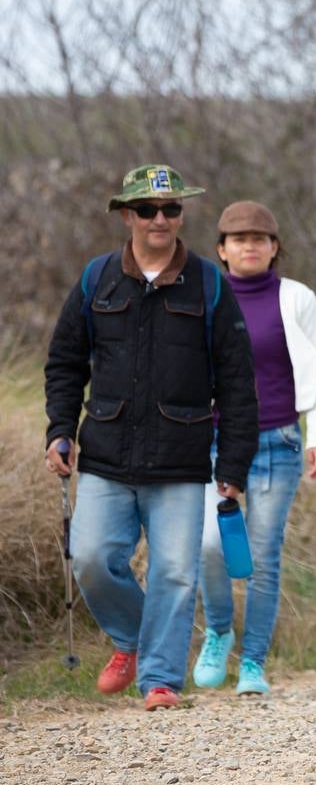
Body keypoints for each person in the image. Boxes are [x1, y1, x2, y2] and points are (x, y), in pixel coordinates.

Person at [44, 164, 258, 711]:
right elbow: (65, 363)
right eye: (147, 209)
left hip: (182, 461)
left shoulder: (210, 284)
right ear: (126, 215)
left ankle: (160, 679)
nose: (160, 219)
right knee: (90, 557)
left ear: (181, 214)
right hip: (105, 455)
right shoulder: (97, 279)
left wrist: (232, 468)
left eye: (171, 209)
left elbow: (237, 383)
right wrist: (59, 431)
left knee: (174, 574)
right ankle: (131, 640)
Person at [192, 200, 316, 695]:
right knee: (210, 545)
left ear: (274, 249)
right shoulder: (204, 296)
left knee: (264, 555)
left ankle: (253, 663)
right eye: (238, 239)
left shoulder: (297, 298)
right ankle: (219, 630)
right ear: (221, 250)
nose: (249, 245)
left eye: (260, 238)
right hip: (212, 442)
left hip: (279, 441)